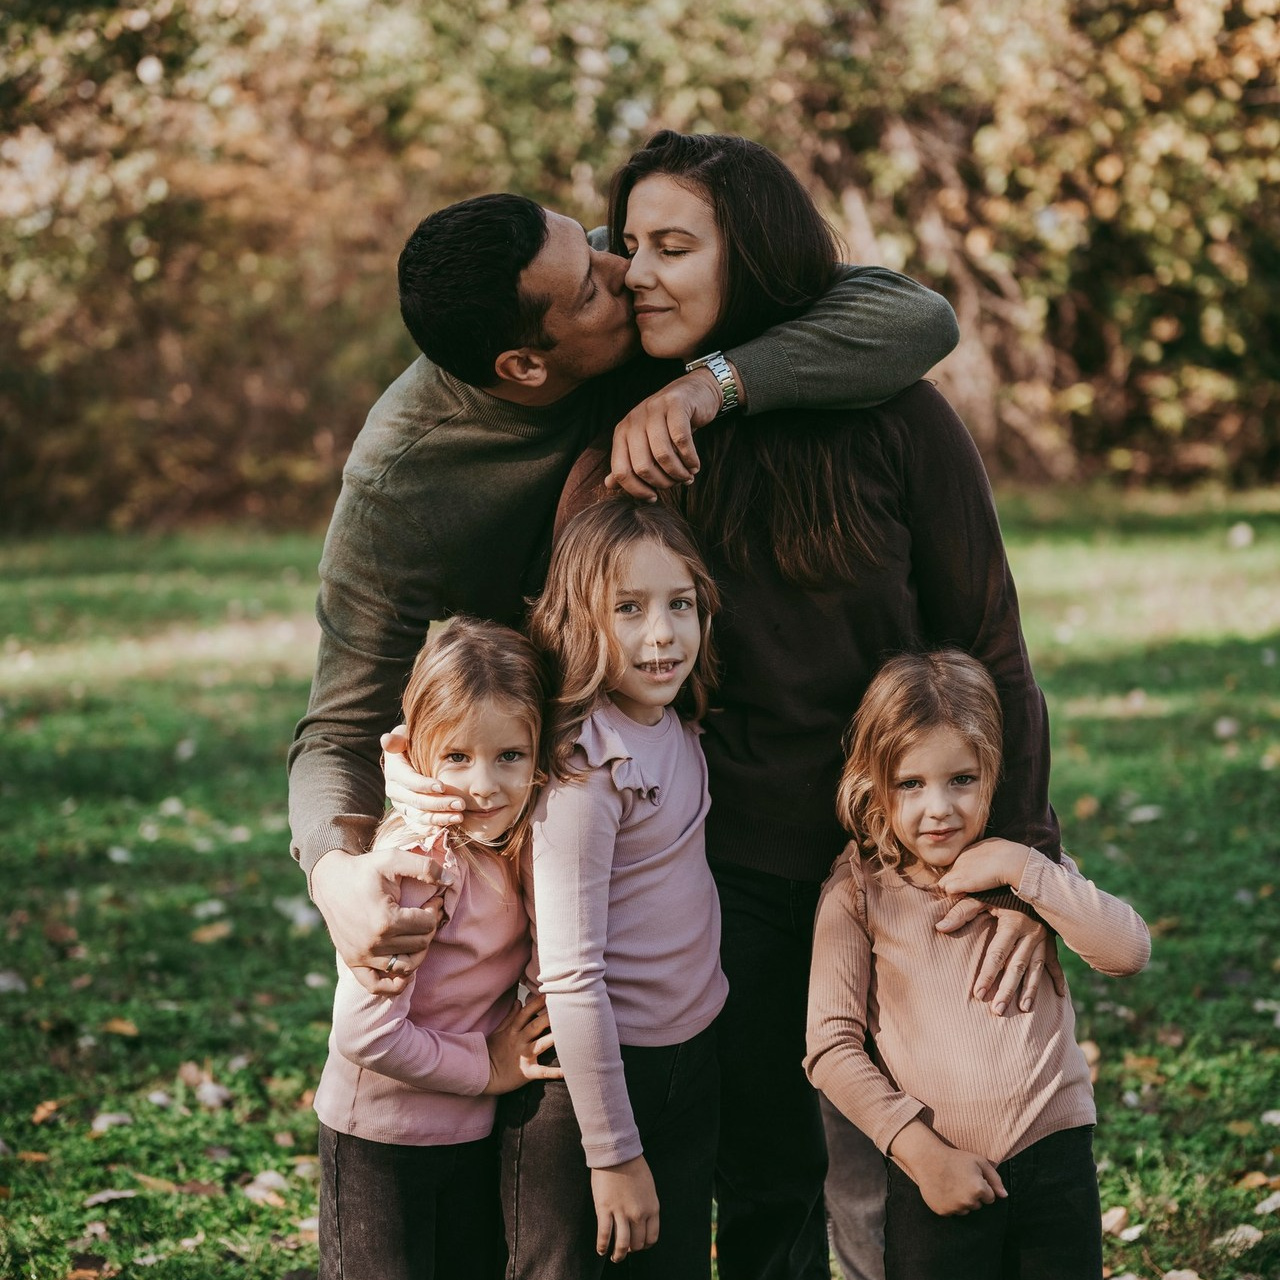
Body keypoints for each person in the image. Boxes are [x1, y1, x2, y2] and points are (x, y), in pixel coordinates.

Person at [541, 130, 1062, 1280]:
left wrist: (1021, 860)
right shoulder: (627, 434)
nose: (636, 274)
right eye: (630, 246)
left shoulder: (894, 416)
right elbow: (570, 674)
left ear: (755, 258)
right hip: (717, 877)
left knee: (911, 1186)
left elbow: (988, 643)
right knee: (765, 1177)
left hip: (905, 869)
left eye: (673, 247)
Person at [289, 190, 961, 1010]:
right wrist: (336, 876)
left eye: (594, 244)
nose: (625, 272)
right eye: (589, 290)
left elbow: (914, 316)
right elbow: (339, 726)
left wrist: (704, 388)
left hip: (749, 755)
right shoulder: (401, 484)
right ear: (525, 366)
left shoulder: (621, 276)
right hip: (569, 811)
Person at [805, 650, 1150, 1279]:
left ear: (994, 776)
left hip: (1055, 1158)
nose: (939, 807)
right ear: (874, 784)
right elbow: (830, 1047)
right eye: (910, 784)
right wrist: (919, 1152)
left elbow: (1128, 951)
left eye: (961, 779)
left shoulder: (1028, 871)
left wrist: (1024, 868)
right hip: (936, 1170)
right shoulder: (858, 892)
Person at [500, 498, 727, 1279]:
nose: (662, 634)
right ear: (579, 620)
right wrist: (613, 1153)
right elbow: (570, 973)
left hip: (686, 1061)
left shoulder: (679, 728)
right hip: (586, 1084)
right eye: (628, 609)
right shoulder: (586, 769)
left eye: (679, 604)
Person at [312, 617, 563, 1280]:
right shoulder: (423, 865)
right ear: (416, 754)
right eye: (457, 757)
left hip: (468, 1131)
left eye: (509, 756)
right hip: (380, 1139)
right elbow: (364, 1033)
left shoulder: (512, 841)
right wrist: (487, 1066)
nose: (483, 785)